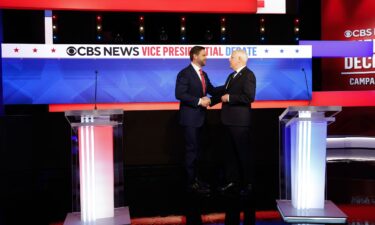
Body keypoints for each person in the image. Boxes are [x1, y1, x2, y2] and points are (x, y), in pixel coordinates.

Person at [175, 46, 223, 195]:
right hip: (190, 119)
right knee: (191, 151)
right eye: (203, 55)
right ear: (195, 56)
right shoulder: (185, 74)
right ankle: (191, 183)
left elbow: (212, 91)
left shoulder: (204, 74)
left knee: (199, 152)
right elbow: (179, 94)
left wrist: (229, 85)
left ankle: (197, 180)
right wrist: (198, 101)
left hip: (201, 119)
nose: (206, 57)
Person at [217, 49, 257, 225]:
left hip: (240, 122)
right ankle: (232, 182)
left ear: (240, 59)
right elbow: (223, 93)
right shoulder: (231, 76)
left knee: (243, 155)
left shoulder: (249, 75)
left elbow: (249, 97)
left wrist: (229, 98)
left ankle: (247, 185)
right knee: (230, 155)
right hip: (228, 121)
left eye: (232, 57)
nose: (229, 59)